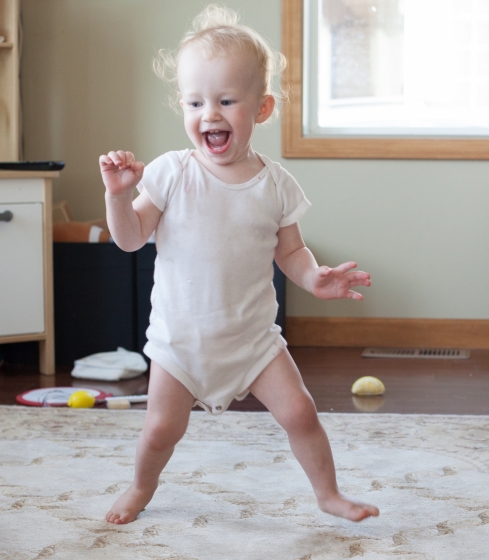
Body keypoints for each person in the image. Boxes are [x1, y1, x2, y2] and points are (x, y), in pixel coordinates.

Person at [99, 5, 379, 525]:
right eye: (195, 101)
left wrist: (315, 278)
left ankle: (328, 494)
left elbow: (291, 252)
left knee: (300, 412)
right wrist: (118, 196)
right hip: (181, 341)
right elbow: (130, 239)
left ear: (262, 108)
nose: (210, 114)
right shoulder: (170, 174)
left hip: (253, 340)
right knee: (161, 429)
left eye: (227, 100)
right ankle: (140, 488)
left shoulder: (275, 185)